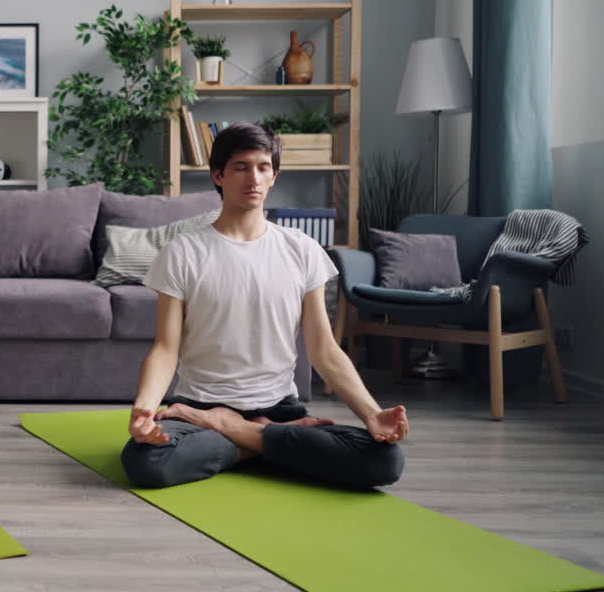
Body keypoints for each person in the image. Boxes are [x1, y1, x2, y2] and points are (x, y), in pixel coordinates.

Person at [121, 123, 407, 490]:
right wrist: (144, 409)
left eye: (263, 167)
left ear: (274, 176)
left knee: (386, 461)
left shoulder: (302, 249)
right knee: (148, 462)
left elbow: (323, 350)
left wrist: (373, 414)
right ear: (218, 176)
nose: (253, 178)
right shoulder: (183, 252)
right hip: (200, 406)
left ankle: (233, 431)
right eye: (241, 167)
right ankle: (267, 442)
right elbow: (165, 348)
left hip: (278, 410)